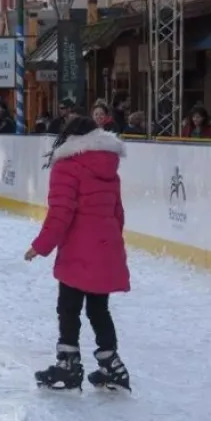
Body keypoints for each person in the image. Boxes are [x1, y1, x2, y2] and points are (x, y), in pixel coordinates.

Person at [26, 116, 131, 392]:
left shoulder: (67, 167)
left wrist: (41, 245)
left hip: (78, 251)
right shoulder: (110, 167)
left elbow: (61, 213)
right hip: (106, 249)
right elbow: (117, 214)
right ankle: (112, 365)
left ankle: (68, 365)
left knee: (68, 308)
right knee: (99, 309)